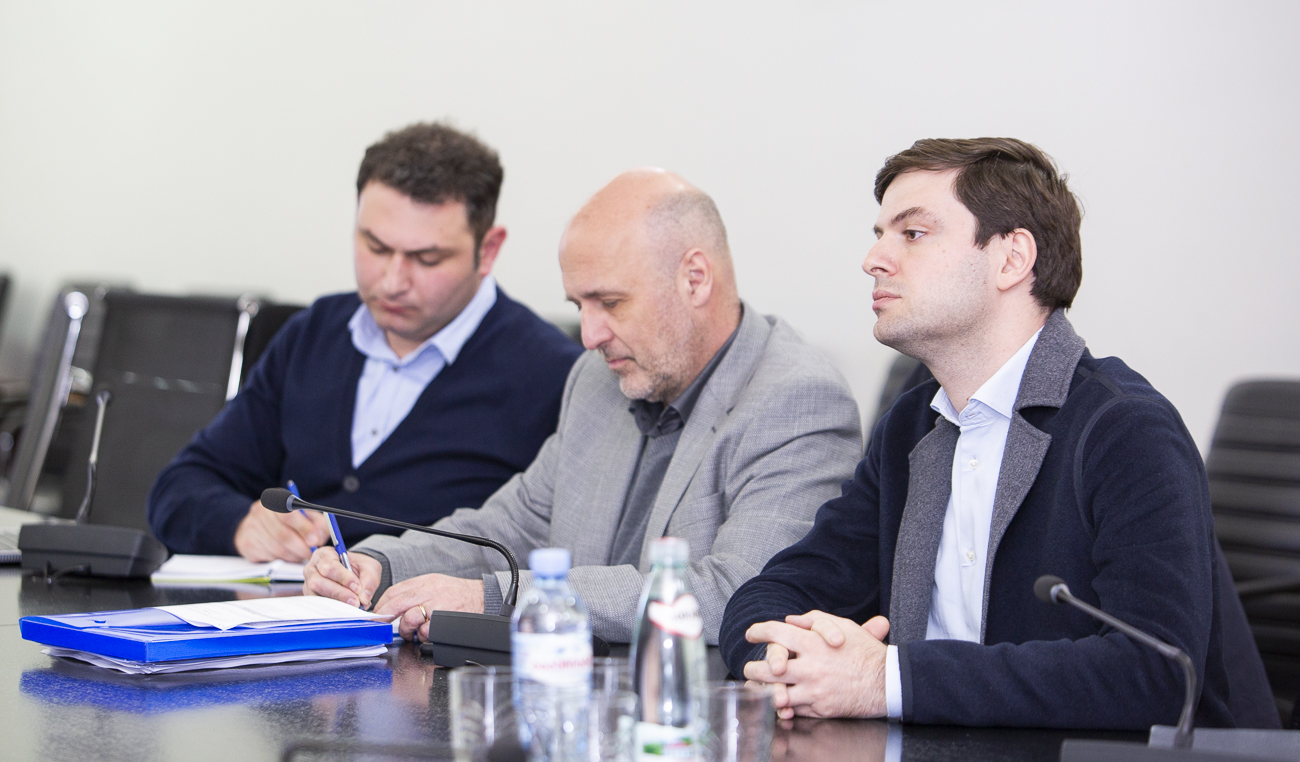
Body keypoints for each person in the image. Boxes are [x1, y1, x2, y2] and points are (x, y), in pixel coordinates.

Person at [720, 138, 1277, 729]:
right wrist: (783, 662)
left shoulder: (1126, 429)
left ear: (1012, 260)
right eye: (880, 234)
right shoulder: (911, 428)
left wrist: (887, 680)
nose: (873, 259)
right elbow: (775, 592)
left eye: (912, 233)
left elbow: (1156, 674)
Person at [303, 168, 863, 645]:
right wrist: (381, 565)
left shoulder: (798, 402)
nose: (589, 335)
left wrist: (500, 598)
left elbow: (738, 594)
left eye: (610, 303)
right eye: (579, 306)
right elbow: (511, 525)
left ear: (695, 279)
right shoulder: (598, 380)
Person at [148, 123, 583, 562]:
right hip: (283, 602)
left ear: (487, 250)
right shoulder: (314, 335)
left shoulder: (554, 376)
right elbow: (179, 487)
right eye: (375, 247)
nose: (393, 282)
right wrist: (241, 524)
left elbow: (570, 550)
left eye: (426, 258)